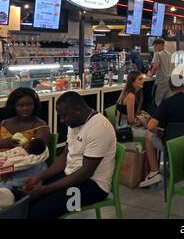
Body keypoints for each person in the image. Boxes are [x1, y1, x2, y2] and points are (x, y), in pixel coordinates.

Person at [24, 91, 116, 219]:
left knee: (39, 212)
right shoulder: (74, 122)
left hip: (94, 186)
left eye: (64, 115)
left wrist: (46, 189)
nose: (62, 120)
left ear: (78, 109)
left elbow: (85, 172)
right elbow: (64, 157)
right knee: (27, 200)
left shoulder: (99, 127)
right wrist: (39, 177)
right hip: (72, 175)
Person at [139, 76, 184, 188]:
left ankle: (154, 172)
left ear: (170, 88)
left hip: (170, 145)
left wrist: (159, 131)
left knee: (148, 135)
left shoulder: (167, 103)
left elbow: (150, 126)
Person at [0, 88, 50, 188]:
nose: (25, 108)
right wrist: (4, 144)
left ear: (34, 105)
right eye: (20, 105)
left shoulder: (40, 125)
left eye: (29, 104)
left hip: (26, 166)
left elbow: (38, 151)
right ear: (13, 106)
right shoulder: (4, 123)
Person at [116, 71, 149, 138]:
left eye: (142, 79)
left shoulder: (129, 93)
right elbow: (131, 121)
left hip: (125, 125)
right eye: (139, 79)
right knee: (152, 134)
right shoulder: (130, 96)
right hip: (125, 128)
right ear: (132, 82)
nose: (142, 81)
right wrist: (142, 120)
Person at [148, 38, 174, 107]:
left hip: (160, 82)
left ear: (160, 45)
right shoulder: (169, 54)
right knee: (167, 102)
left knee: (157, 102)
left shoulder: (157, 54)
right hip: (169, 82)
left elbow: (155, 66)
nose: (154, 48)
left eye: (155, 46)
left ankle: (158, 116)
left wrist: (150, 75)